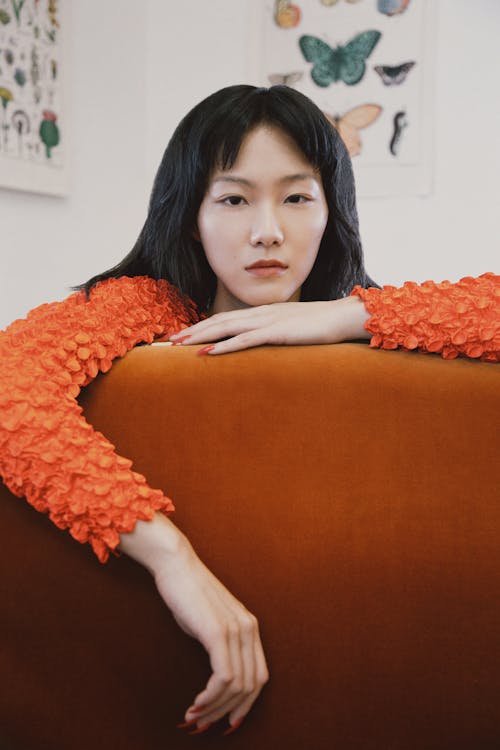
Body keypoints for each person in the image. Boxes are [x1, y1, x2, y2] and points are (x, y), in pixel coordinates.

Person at [0, 84, 498, 738]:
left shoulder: (363, 316)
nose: (268, 232)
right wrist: (172, 560)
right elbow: (9, 387)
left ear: (332, 210)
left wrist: (345, 315)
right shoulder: (149, 306)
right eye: (233, 199)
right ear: (190, 213)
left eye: (297, 197)